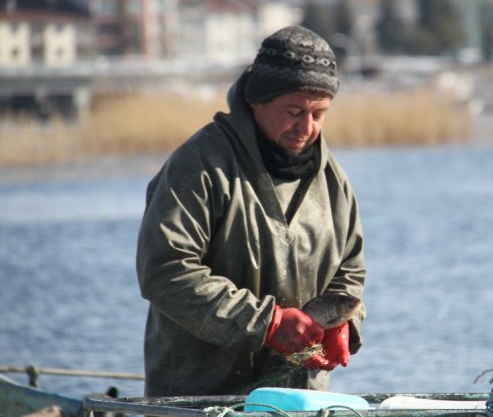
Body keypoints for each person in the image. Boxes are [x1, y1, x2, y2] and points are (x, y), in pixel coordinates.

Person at [136, 25, 366, 397]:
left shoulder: (333, 180)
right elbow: (165, 272)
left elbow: (350, 270)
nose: (306, 128)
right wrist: (267, 323)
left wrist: (341, 322)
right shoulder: (199, 165)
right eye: (294, 111)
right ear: (257, 100)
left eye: (319, 114)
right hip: (200, 398)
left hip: (297, 398)